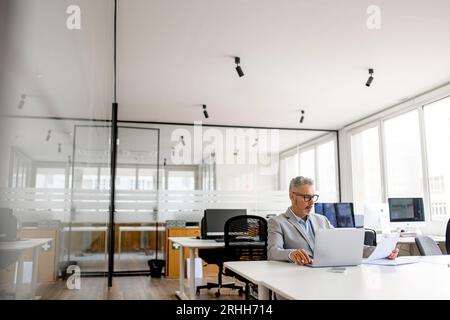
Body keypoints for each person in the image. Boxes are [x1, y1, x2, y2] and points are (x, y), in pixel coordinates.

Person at [268, 176, 399, 265]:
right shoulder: (278, 222)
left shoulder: (322, 220)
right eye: (307, 197)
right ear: (292, 196)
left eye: (313, 197)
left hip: (326, 275)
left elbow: (345, 245)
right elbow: (273, 252)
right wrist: (291, 254)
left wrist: (382, 252)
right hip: (297, 279)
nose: (312, 202)